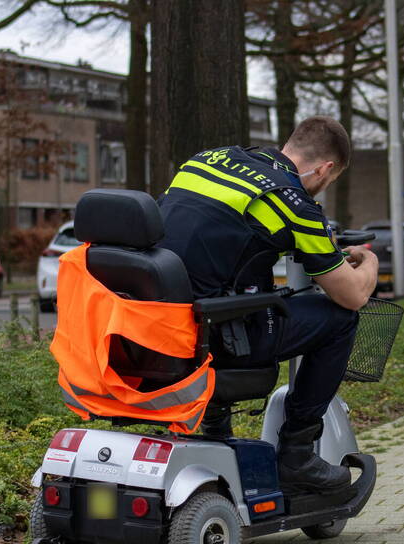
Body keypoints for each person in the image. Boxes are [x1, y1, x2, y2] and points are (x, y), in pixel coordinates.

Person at [157, 116, 379, 493]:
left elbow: (208, 233)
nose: (323, 188)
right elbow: (352, 294)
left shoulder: (206, 160)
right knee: (340, 319)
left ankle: (215, 430)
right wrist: (368, 261)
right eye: (330, 180)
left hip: (154, 327)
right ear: (325, 169)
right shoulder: (294, 201)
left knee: (221, 288)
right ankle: (297, 454)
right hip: (214, 338)